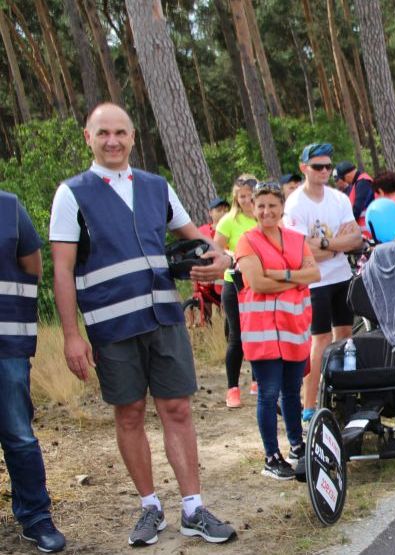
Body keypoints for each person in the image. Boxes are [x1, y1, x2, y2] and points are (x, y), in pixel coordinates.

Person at [50, 103, 235, 546]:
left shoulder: (156, 186)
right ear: (87, 138)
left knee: (178, 410)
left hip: (164, 319)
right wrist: (72, 336)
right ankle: (150, 507)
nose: (112, 141)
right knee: (130, 414)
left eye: (120, 133)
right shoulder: (71, 193)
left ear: (133, 137)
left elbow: (197, 238)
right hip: (112, 328)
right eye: (103, 133)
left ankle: (193, 508)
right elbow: (61, 270)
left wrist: (224, 258)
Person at [235, 183, 320, 479]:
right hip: (264, 333)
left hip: (293, 329)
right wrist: (296, 280)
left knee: (292, 394)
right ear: (252, 208)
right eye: (260, 206)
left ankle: (297, 444)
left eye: (272, 205)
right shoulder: (247, 242)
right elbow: (257, 283)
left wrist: (281, 274)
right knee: (269, 394)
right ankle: (272, 456)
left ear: (282, 207)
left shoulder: (297, 239)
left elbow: (315, 273)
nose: (266, 211)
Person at [1, 191, 66, 553]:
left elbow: (33, 267)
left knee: (18, 435)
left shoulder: (9, 208)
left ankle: (35, 517)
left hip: (5, 346)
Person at [283, 143, 364, 422]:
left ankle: (346, 395)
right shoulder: (295, 203)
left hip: (341, 276)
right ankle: (309, 403)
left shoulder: (339, 199)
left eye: (328, 166)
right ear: (304, 168)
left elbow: (356, 239)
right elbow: (300, 250)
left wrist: (327, 244)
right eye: (318, 167)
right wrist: (336, 247)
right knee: (319, 340)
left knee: (345, 337)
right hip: (315, 282)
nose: (325, 171)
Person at [214, 175, 258, 408]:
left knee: (258, 332)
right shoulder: (228, 221)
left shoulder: (265, 218)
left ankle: (257, 381)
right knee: (237, 336)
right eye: (242, 197)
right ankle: (232, 389)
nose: (247, 201)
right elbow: (216, 249)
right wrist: (234, 256)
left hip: (259, 282)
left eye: (250, 196)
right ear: (235, 198)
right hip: (235, 282)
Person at [333, 161, 374, 233]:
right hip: (367, 229)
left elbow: (357, 209)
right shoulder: (360, 182)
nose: (345, 182)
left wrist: (345, 226)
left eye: (343, 179)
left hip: (369, 231)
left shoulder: (363, 182)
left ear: (347, 176)